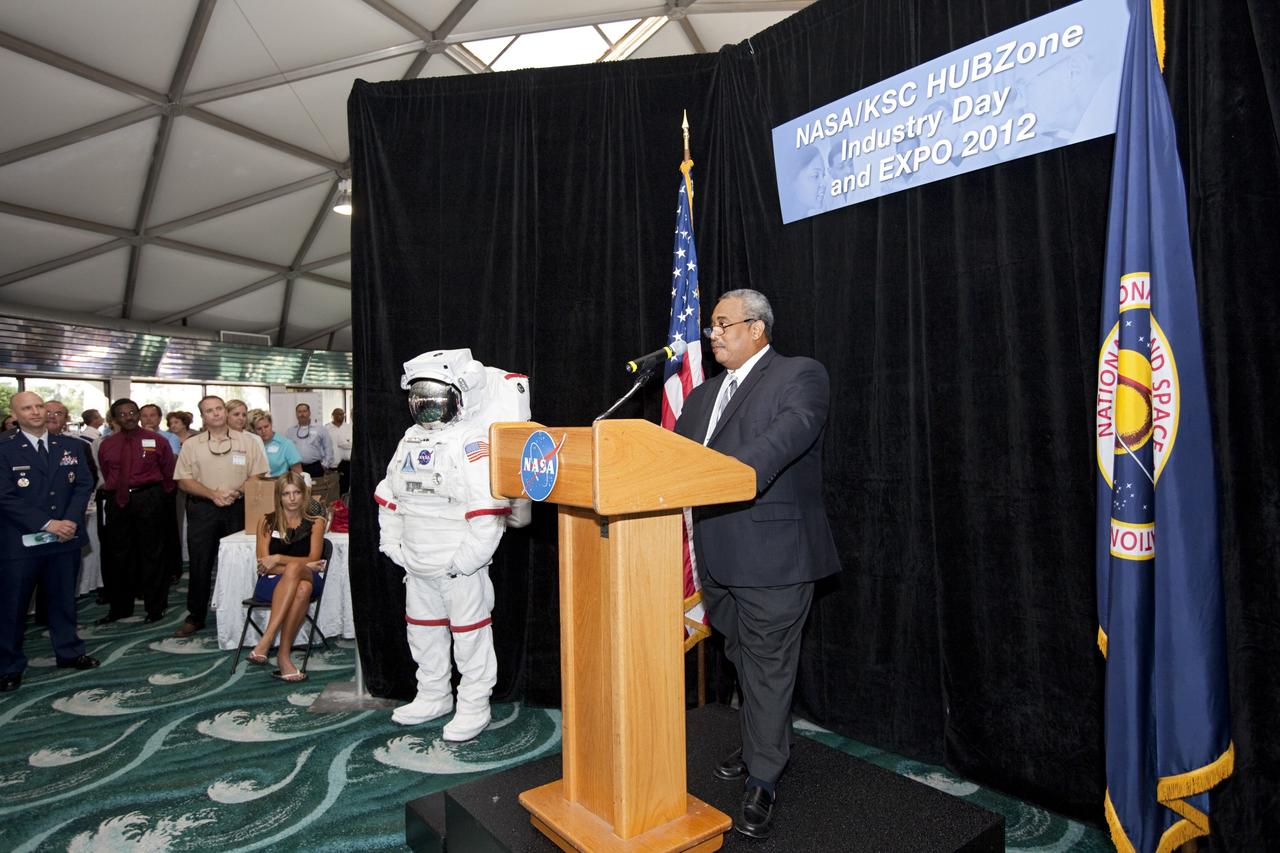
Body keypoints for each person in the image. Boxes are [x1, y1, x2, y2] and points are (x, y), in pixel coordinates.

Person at [674, 289, 841, 840]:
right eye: (711, 326)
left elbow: (784, 437)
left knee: (768, 663)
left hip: (775, 557)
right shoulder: (700, 398)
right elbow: (671, 461)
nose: (713, 333)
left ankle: (764, 776)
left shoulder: (799, 375)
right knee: (743, 655)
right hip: (718, 557)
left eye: (723, 324)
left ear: (758, 328)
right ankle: (756, 742)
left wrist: (727, 473)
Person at [376, 348, 530, 741]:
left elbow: (487, 509)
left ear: (458, 399)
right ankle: (432, 694)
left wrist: (464, 562)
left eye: (436, 400)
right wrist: (393, 545)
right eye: (419, 400)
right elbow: (390, 496)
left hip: (459, 564)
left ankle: (474, 704)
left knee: (470, 636)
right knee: (422, 633)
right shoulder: (409, 440)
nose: (427, 409)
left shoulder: (471, 444)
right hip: (416, 560)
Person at [0, 392, 99, 692]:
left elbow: (84, 484)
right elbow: (4, 496)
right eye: (26, 408)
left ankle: (69, 652)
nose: (35, 412)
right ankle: (8, 665)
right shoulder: (4, 448)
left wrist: (69, 520)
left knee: (63, 600)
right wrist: (47, 524)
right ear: (14, 415)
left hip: (64, 538)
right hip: (20, 542)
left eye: (39, 406)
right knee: (12, 607)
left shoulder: (69, 445)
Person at [172, 396, 268, 637]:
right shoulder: (191, 445)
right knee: (200, 563)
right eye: (208, 411)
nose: (215, 414)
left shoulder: (248, 441)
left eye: (218, 409)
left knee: (242, 561)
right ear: (202, 417)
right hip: (203, 509)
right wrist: (212, 494)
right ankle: (195, 616)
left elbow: (258, 474)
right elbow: (183, 480)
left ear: (225, 412)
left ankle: (244, 611)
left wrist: (234, 492)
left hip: (238, 506)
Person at [96, 399, 177, 624]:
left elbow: (169, 472)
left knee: (152, 554)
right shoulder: (107, 444)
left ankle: (155, 607)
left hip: (149, 498)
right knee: (119, 556)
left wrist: (159, 497)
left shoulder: (157, 441)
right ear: (114, 419)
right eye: (122, 414)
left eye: (132, 412)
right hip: (118, 501)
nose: (129, 417)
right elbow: (106, 470)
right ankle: (121, 608)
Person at [246, 471, 327, 682]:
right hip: (274, 583)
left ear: (304, 495)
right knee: (301, 587)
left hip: (309, 577)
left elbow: (314, 557)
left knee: (298, 576)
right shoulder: (266, 521)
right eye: (286, 493)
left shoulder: (316, 522)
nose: (292, 498)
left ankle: (267, 639)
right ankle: (283, 657)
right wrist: (299, 566)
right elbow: (264, 564)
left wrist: (279, 557)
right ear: (278, 496)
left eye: (296, 493)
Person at [249, 410, 302, 477]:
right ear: (254, 430)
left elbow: (298, 474)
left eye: (266, 426)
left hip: (279, 484)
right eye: (259, 429)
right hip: (256, 484)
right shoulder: (252, 444)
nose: (263, 431)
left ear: (271, 424)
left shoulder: (286, 444)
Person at [286, 403, 331, 480]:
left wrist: (325, 465)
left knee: (315, 491)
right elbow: (287, 450)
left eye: (304, 411)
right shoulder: (290, 431)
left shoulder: (320, 429)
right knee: (297, 490)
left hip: (315, 467)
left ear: (309, 413)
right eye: (299, 412)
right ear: (296, 414)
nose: (302, 414)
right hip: (296, 467)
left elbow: (328, 447)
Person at [324, 407, 352, 495]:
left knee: (345, 489)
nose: (340, 416)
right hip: (332, 465)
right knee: (332, 490)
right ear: (332, 416)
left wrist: (346, 443)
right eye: (338, 414)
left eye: (342, 414)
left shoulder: (348, 427)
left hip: (346, 464)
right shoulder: (326, 428)